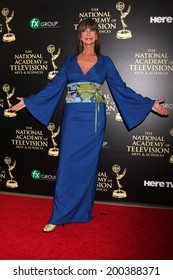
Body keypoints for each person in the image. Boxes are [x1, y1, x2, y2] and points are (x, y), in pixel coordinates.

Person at [11, 18, 169, 232]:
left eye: (92, 30)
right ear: (80, 35)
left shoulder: (105, 62)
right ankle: (59, 214)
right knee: (66, 166)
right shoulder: (69, 60)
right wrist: (29, 101)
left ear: (97, 35)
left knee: (87, 168)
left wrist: (148, 104)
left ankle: (82, 212)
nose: (87, 33)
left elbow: (121, 89)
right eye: (84, 30)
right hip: (72, 118)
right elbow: (54, 87)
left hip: (94, 120)